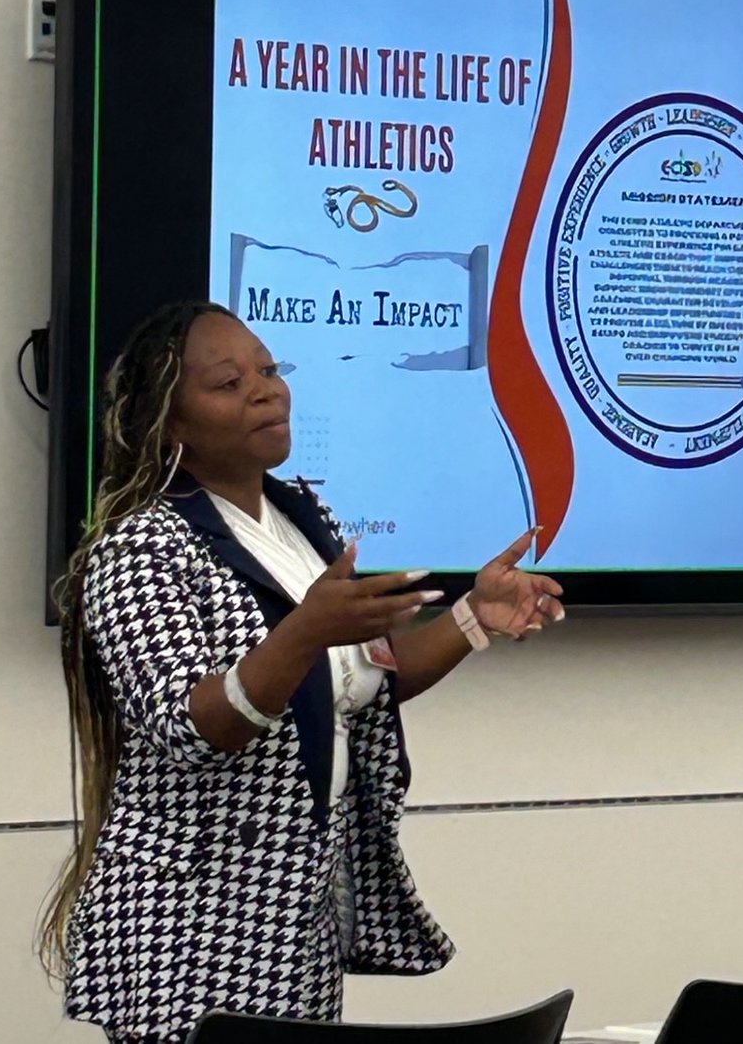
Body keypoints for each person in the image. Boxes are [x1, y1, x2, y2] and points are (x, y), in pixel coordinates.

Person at [39, 300, 565, 1044]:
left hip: (296, 912)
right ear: (171, 425)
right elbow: (192, 728)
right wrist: (305, 630)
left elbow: (356, 683)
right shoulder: (140, 549)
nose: (267, 390)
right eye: (228, 383)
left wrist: (473, 617)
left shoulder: (300, 516)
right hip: (191, 926)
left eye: (270, 369)